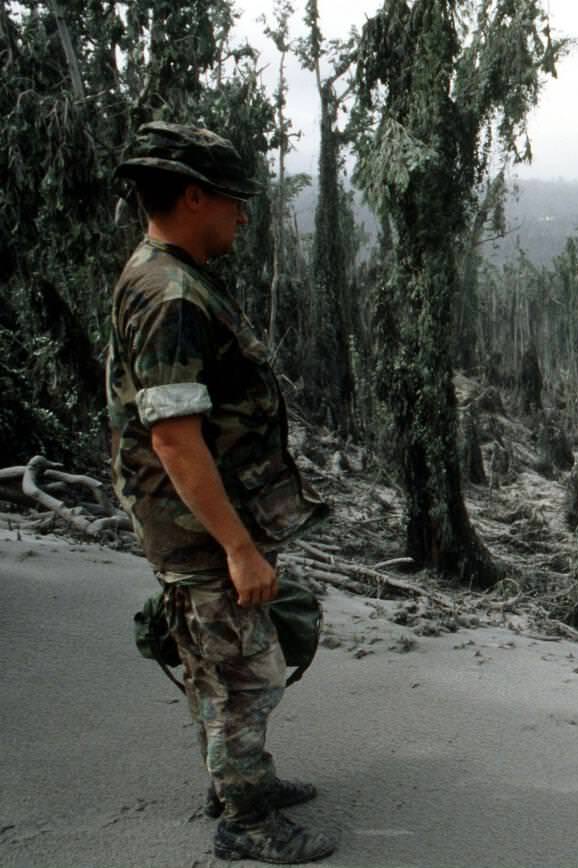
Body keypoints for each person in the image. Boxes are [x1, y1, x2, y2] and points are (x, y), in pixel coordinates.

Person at [106, 121, 336, 864]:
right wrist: (237, 546)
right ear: (195, 196)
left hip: (197, 516)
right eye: (235, 200)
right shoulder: (169, 292)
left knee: (221, 653)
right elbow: (174, 437)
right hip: (200, 525)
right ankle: (245, 819)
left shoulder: (169, 275)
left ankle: (243, 778)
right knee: (243, 668)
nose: (243, 214)